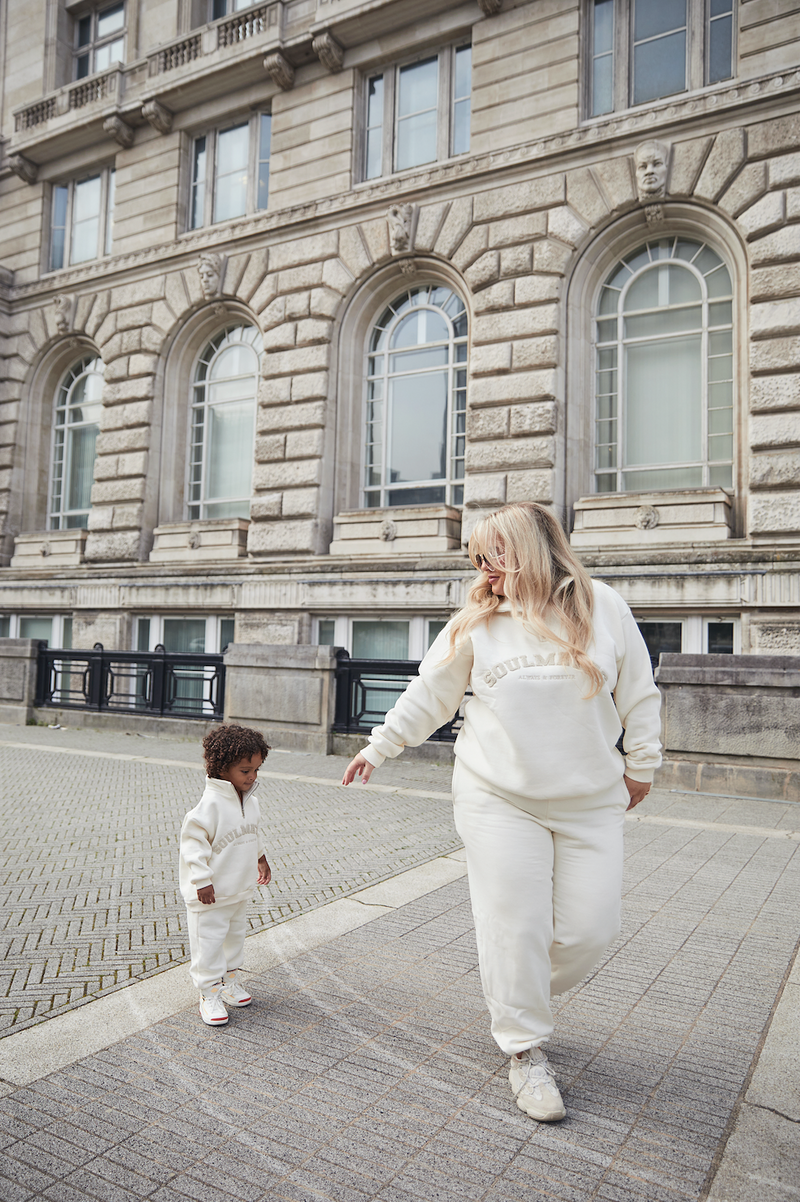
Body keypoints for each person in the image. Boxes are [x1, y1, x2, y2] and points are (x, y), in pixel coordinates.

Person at [342, 502, 661, 1121]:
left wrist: (641, 764)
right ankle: (525, 1050)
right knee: (515, 926)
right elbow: (429, 693)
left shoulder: (604, 609)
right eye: (477, 560)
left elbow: (640, 692)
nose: (484, 572)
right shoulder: (476, 623)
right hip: (497, 797)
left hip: (590, 798)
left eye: (495, 556)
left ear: (533, 552)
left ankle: (513, 991)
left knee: (590, 931)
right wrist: (380, 747)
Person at [179, 724, 272, 1026]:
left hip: (238, 890)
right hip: (210, 896)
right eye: (246, 770)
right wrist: (202, 882)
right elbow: (193, 848)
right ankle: (208, 992)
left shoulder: (252, 802)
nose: (253, 777)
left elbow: (253, 833)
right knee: (208, 943)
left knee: (234, 939)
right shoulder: (207, 808)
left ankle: (230, 981)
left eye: (256, 770)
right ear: (222, 769)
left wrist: (261, 859)